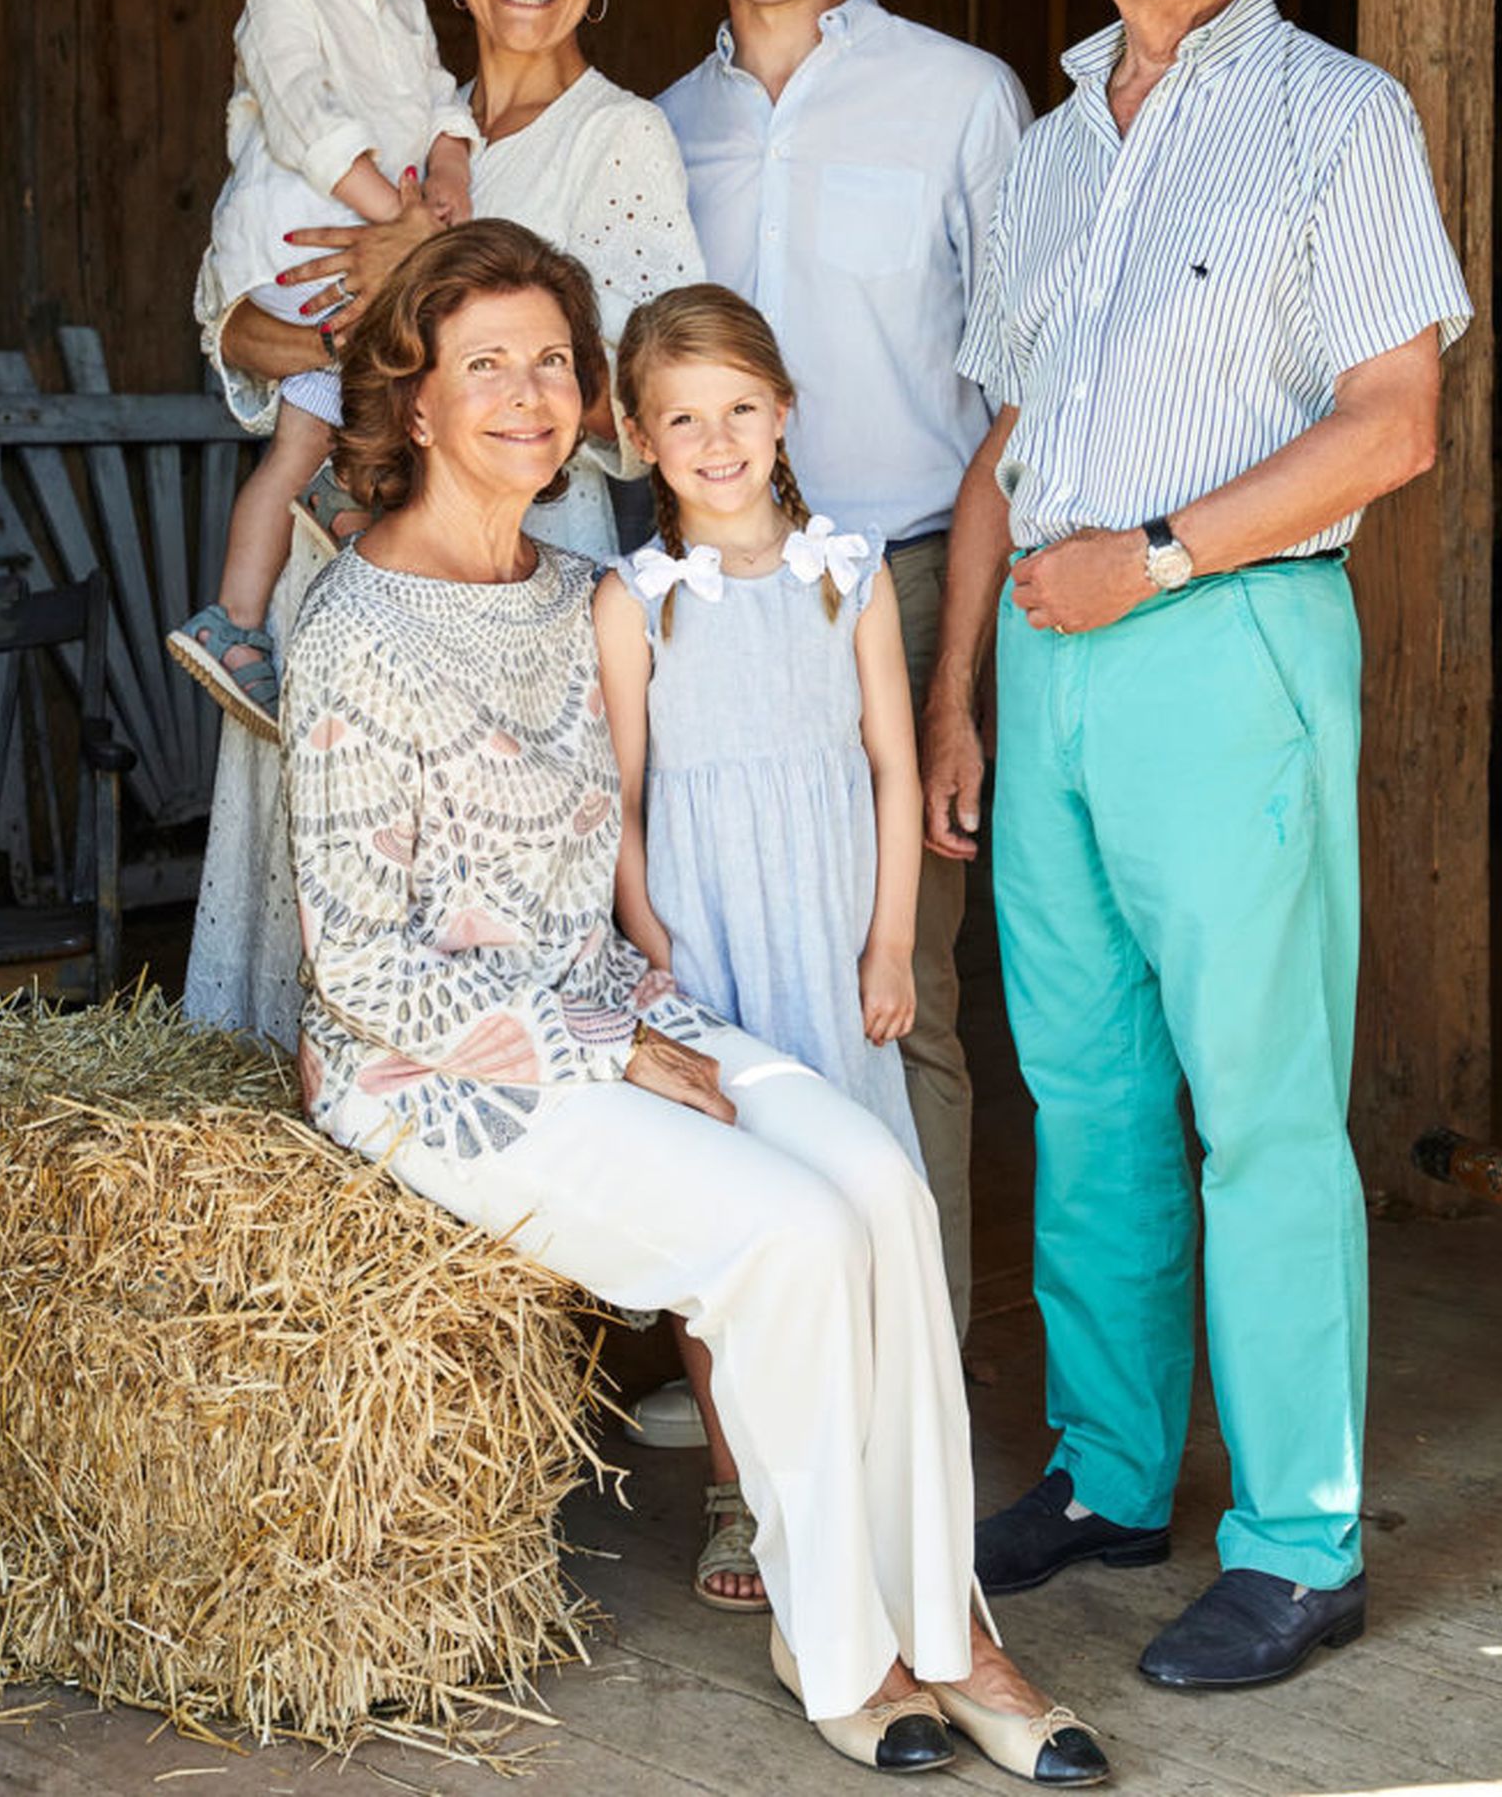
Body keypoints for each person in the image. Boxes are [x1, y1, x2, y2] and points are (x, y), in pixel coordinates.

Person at [281, 218, 1110, 1788]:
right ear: (414, 400)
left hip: (613, 1005)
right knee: (786, 1234)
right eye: (484, 365)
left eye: (550, 361)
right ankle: (840, 1643)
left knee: (884, 1191)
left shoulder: (574, 589)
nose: (528, 393)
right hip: (437, 1071)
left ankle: (953, 1632)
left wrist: (636, 1012)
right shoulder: (354, 628)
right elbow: (361, 966)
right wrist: (602, 1045)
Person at [921, 0, 1473, 1692]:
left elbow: (1393, 421)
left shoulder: (1339, 114)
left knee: (1258, 1110)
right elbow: (1003, 441)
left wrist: (1149, 557)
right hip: (1048, 660)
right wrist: (959, 689)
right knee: (1083, 1096)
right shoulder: (1050, 145)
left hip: (1221, 639)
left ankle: (1300, 1541)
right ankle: (1106, 1471)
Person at [185, 0, 702, 1045]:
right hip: (338, 557)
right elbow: (231, 324)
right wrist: (336, 335)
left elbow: (648, 396)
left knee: (479, 908)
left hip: (517, 568)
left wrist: (431, 293)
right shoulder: (396, 123)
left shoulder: (620, 136)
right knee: (324, 896)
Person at [656, 0, 1032, 1363]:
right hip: (706, 597)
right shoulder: (657, 130)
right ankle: (761, 1371)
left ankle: (912, 1372)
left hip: (912, 576)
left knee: (902, 981)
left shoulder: (964, 96)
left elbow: (1022, 390)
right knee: (721, 977)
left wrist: (956, 685)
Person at [594, 285, 923, 1612]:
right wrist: (652, 946)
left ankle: (861, 1477)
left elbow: (894, 770)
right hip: (709, 960)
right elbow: (619, 801)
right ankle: (737, 1489)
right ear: (638, 436)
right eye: (683, 418)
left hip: (831, 947)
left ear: (783, 411)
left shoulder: (850, 571)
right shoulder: (636, 600)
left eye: (739, 407)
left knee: (855, 1203)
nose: (717, 439)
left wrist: (890, 942)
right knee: (727, 1225)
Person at [167, 0, 478, 735]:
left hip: (366, 246)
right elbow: (311, 122)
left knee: (312, 432)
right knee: (412, 363)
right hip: (302, 244)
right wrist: (398, 221)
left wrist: (450, 171)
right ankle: (286, 562)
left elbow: (443, 106)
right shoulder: (283, 2)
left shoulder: (405, 8)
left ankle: (253, 604)